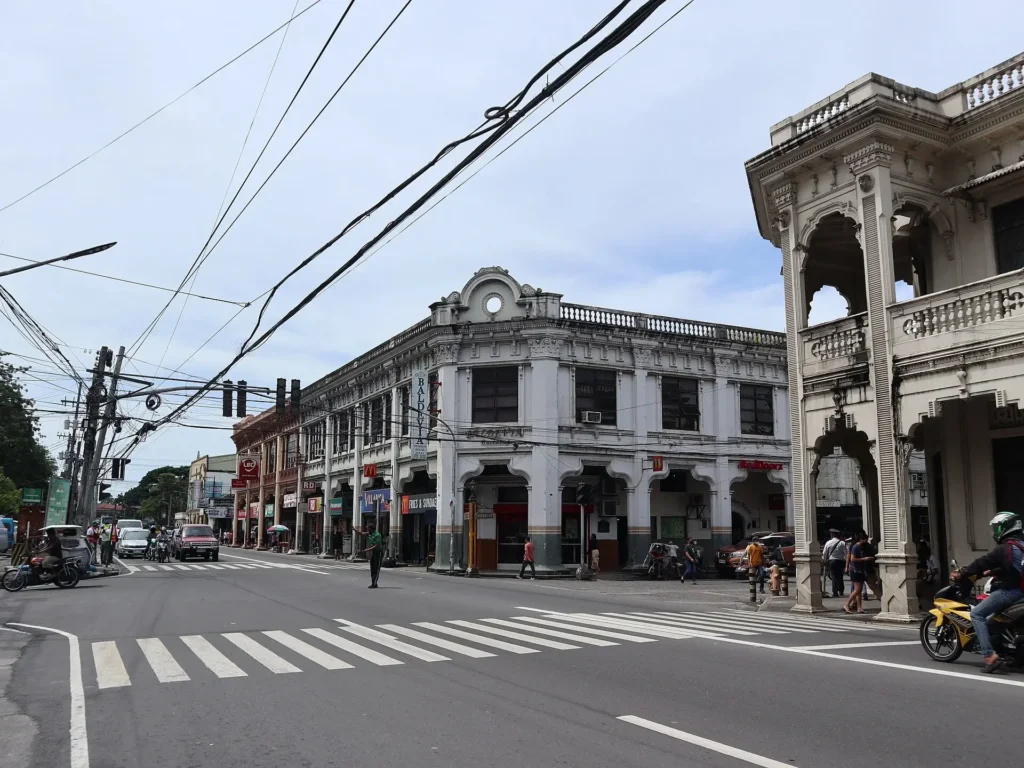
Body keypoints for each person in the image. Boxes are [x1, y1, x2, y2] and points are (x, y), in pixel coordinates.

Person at [953, 511, 1024, 673]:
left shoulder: (1003, 548)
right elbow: (1014, 567)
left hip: (1012, 592)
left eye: (997, 527)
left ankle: (989, 656)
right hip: (1021, 590)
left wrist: (962, 573)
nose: (995, 530)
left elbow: (981, 563)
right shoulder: (1020, 546)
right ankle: (1015, 656)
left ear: (1004, 527)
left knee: (977, 614)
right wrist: (993, 572)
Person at [844, 532, 873, 614]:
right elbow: (852, 559)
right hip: (855, 570)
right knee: (857, 590)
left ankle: (859, 607)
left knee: (859, 590)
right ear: (861, 539)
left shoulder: (860, 547)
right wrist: (864, 559)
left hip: (860, 570)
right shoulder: (855, 547)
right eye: (865, 539)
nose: (866, 541)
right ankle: (847, 604)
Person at [821, 529, 848, 597]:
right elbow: (846, 554)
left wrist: (824, 561)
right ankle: (841, 591)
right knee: (840, 576)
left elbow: (825, 553)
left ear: (832, 535)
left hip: (832, 561)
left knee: (834, 576)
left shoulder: (828, 543)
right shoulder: (842, 543)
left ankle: (835, 592)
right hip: (840, 561)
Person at [362, 522, 382, 588]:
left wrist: (367, 550)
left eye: (368, 528)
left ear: (371, 529)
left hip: (378, 553)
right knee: (372, 568)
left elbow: (377, 546)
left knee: (376, 568)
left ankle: (374, 583)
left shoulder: (377, 535)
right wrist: (354, 530)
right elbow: (362, 533)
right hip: (373, 553)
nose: (367, 530)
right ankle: (373, 583)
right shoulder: (370, 534)